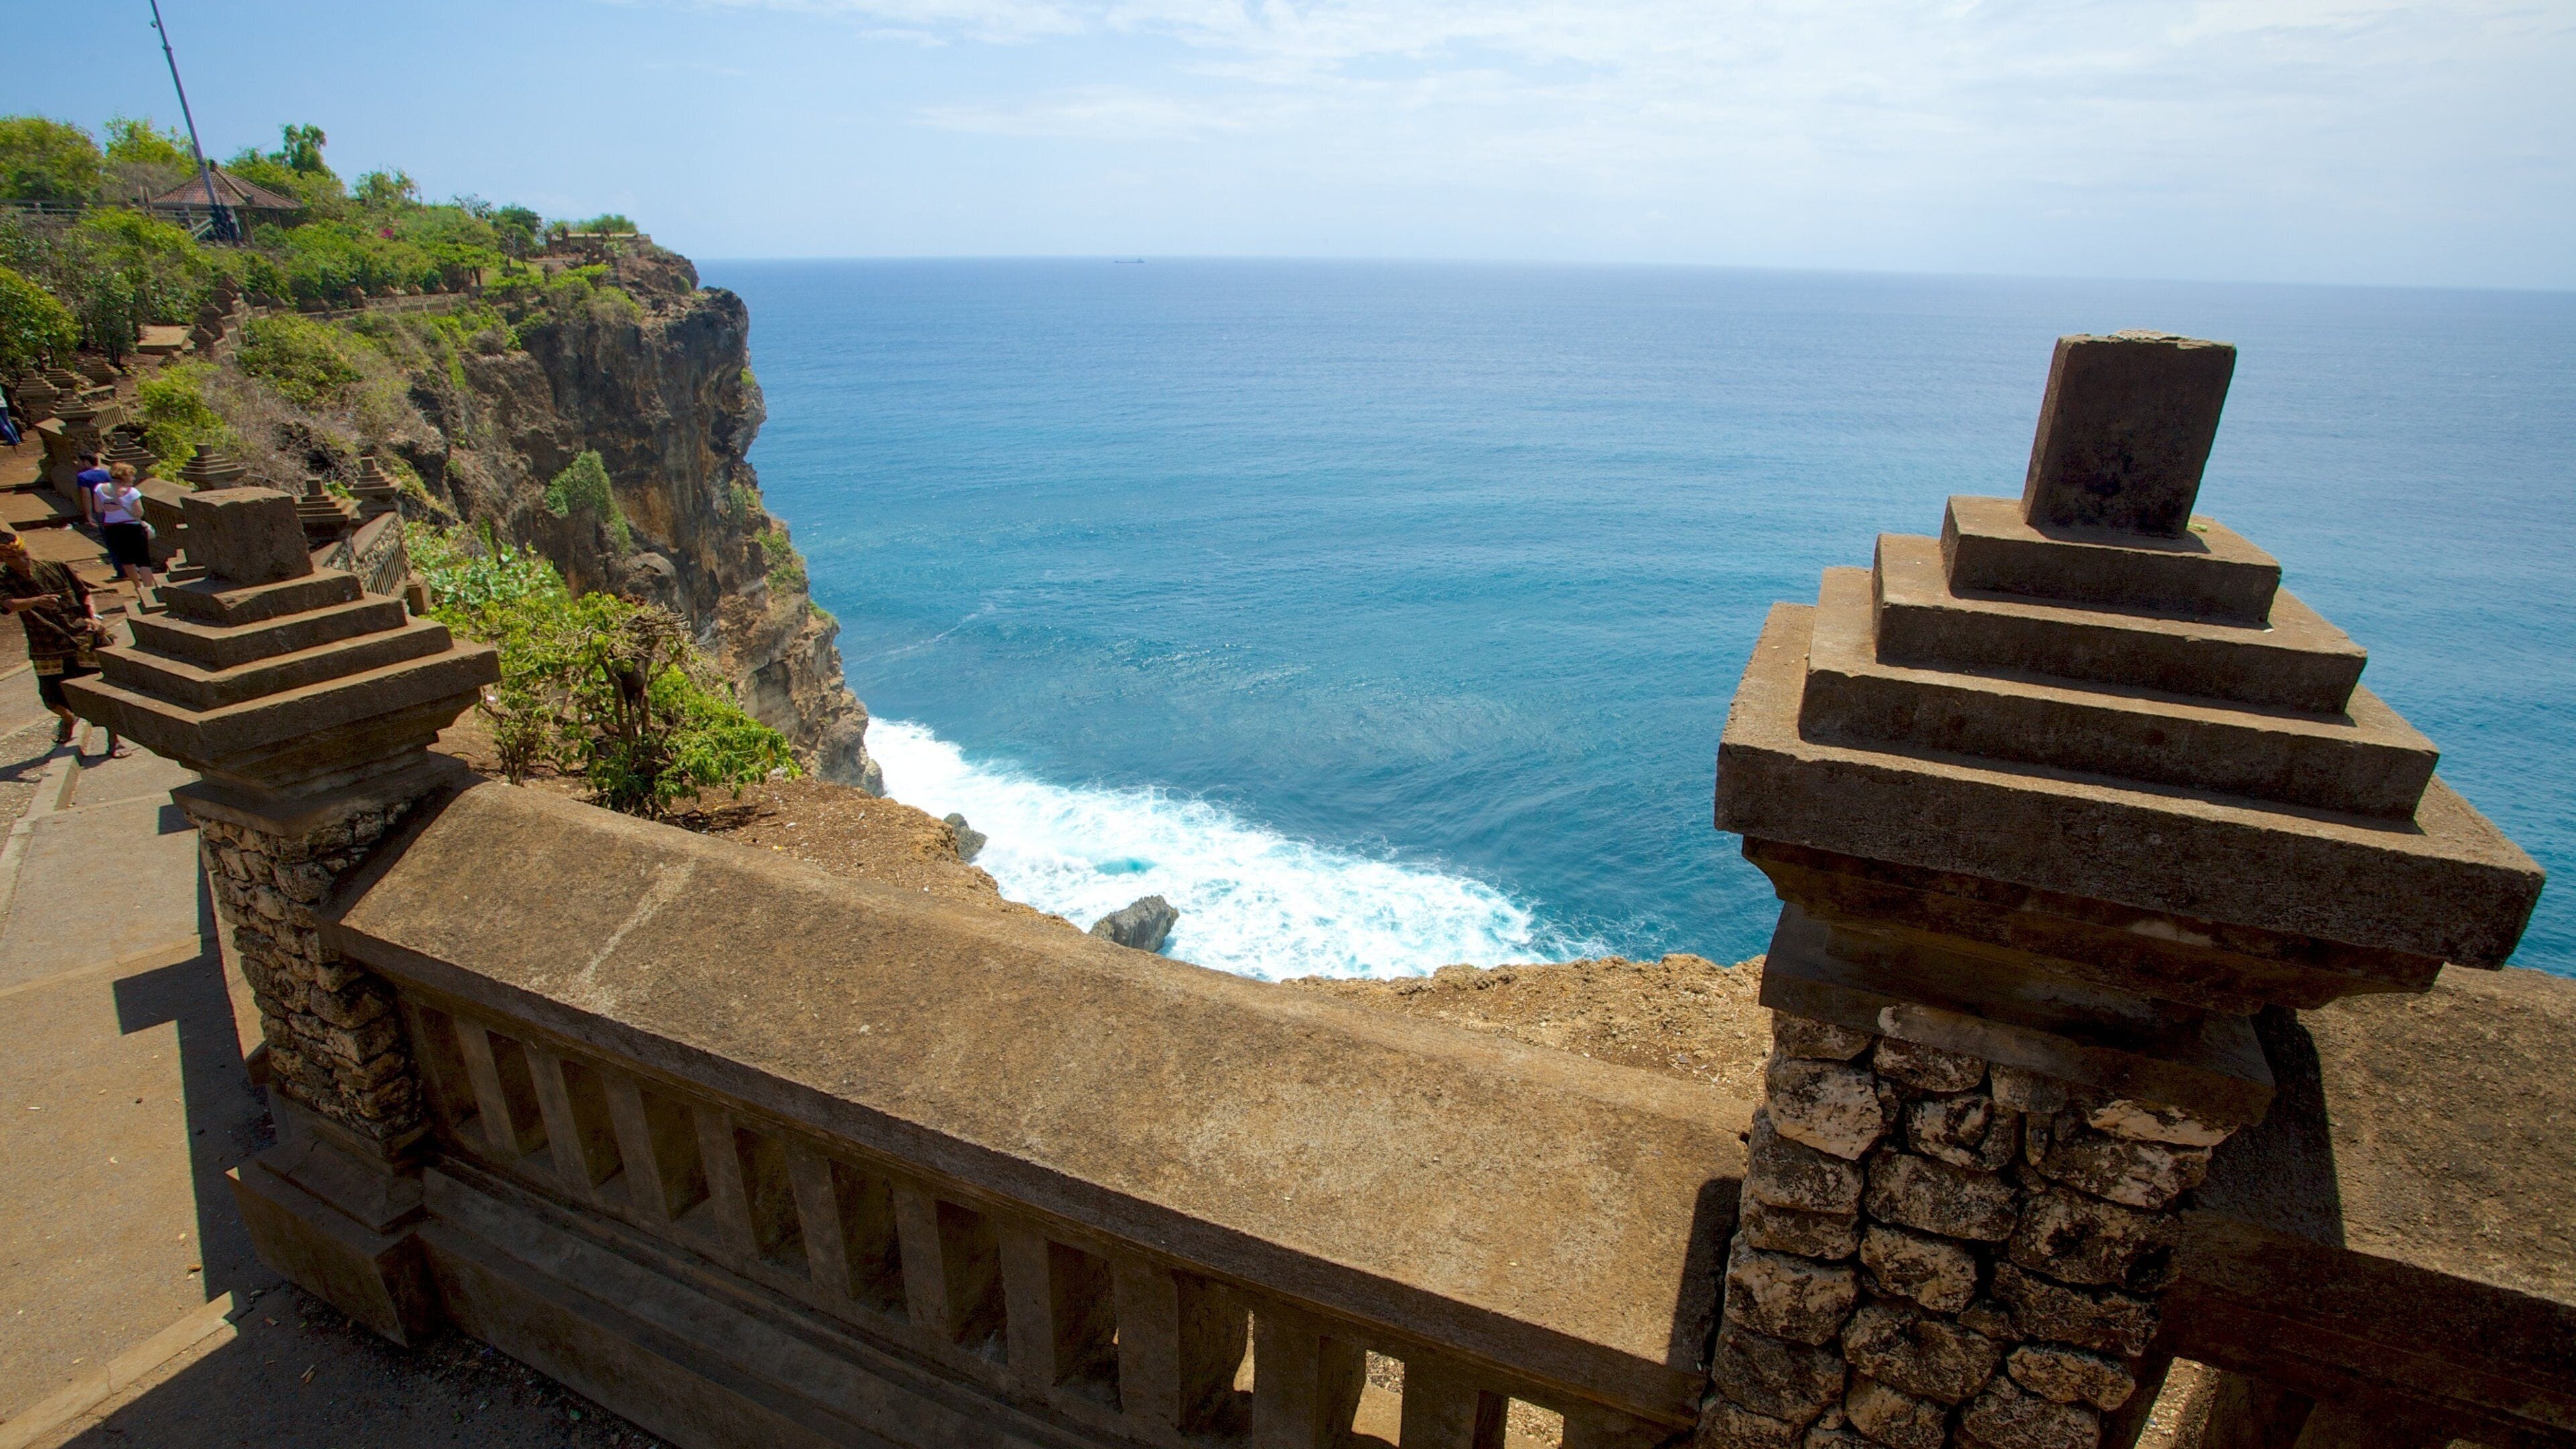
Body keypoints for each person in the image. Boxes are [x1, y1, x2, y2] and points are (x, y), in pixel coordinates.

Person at [0, 529, 126, 757]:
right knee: (50, 697)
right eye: (12, 558)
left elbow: (84, 593)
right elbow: (8, 604)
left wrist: (94, 617)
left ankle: (114, 740)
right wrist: (35, 602)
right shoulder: (4, 579)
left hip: (81, 635)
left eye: (24, 554)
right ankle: (68, 718)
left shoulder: (55, 567)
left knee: (101, 691)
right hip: (45, 643)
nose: (22, 561)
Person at [94, 462, 160, 599]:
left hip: (113, 528)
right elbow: (139, 512)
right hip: (133, 527)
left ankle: (137, 586)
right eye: (131, 475)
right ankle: (149, 589)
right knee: (143, 559)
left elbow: (99, 509)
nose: (134, 478)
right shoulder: (132, 492)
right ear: (124, 477)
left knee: (126, 559)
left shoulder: (99, 489)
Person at [72, 450, 111, 527]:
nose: (77, 464)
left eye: (79, 462)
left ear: (86, 463)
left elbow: (87, 497)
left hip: (96, 509)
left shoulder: (83, 476)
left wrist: (89, 515)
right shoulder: (106, 473)